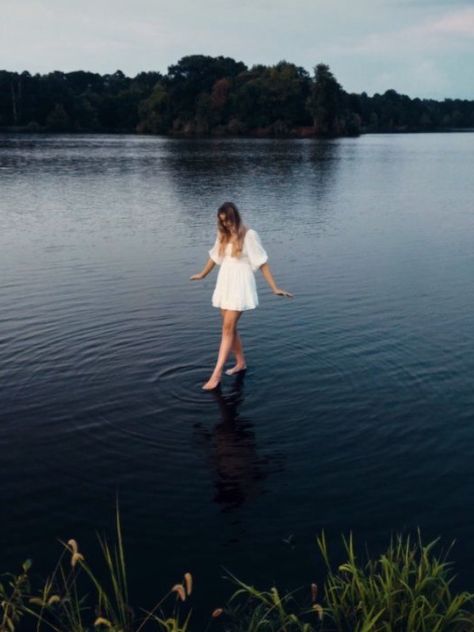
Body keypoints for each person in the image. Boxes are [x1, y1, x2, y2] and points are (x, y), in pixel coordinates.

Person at [190, 201, 293, 391]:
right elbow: (215, 257)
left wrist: (274, 287)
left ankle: (216, 375)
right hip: (225, 282)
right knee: (229, 326)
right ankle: (241, 363)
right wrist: (203, 274)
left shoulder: (249, 235)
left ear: (235, 216)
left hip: (240, 284)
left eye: (228, 220)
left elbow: (262, 262)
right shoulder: (223, 235)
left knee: (227, 329)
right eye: (223, 221)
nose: (226, 224)